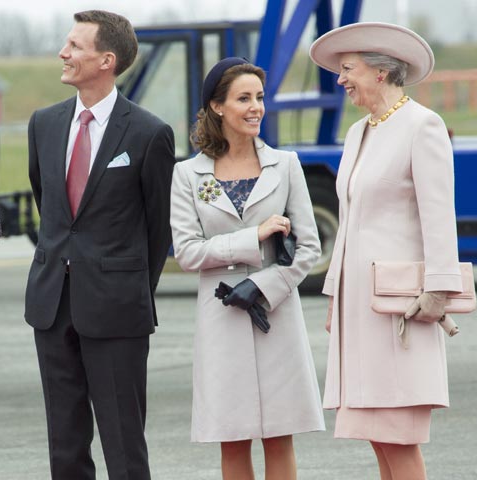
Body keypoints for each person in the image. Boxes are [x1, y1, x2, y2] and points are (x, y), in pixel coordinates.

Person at [25, 10, 175, 480]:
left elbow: (157, 230)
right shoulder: (43, 124)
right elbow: (49, 204)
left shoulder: (149, 133)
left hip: (116, 309)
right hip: (52, 304)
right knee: (64, 444)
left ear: (106, 60)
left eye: (74, 46)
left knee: (123, 444)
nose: (63, 53)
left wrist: (126, 288)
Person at [309, 23, 463, 480]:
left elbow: (439, 218)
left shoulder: (422, 125)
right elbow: (350, 219)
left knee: (399, 434)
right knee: (377, 434)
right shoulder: (358, 132)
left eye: (348, 69)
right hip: (360, 310)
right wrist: (335, 294)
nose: (341, 79)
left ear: (381, 71)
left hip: (402, 309)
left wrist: (439, 291)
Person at [169, 57, 325, 480]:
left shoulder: (286, 165)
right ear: (217, 107)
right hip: (220, 319)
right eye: (244, 98)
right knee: (232, 438)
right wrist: (254, 237)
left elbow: (309, 246)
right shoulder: (187, 175)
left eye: (259, 97)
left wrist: (266, 284)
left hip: (276, 313)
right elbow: (187, 253)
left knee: (280, 435)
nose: (256, 107)